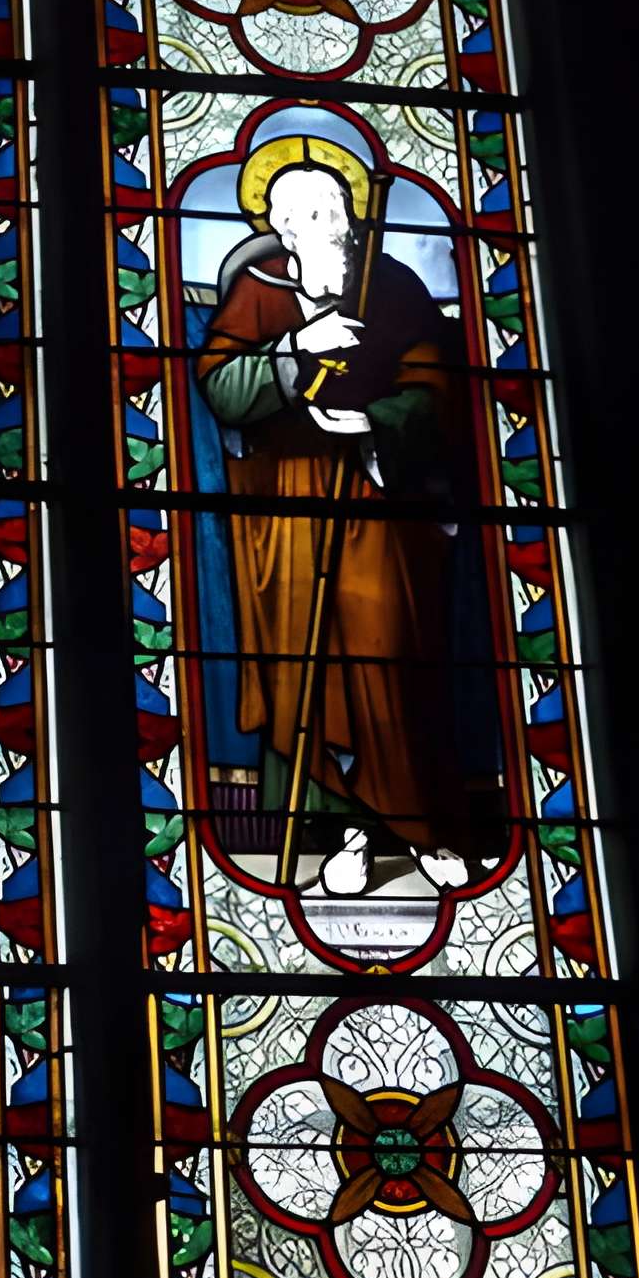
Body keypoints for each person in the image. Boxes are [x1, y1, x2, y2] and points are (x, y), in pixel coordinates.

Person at [195, 135, 470, 894]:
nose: (328, 222)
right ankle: (343, 835)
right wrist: (294, 349)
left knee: (387, 652)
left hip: (381, 504)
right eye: (307, 212)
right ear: (281, 228)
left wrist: (378, 420)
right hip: (289, 506)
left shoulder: (392, 286)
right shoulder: (259, 290)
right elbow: (220, 384)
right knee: (305, 671)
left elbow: (436, 383)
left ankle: (415, 828)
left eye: (336, 207)